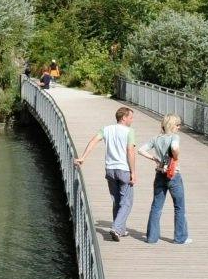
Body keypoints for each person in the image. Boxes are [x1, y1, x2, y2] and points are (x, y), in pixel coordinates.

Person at [74, 105, 139, 241]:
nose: (132, 120)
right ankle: (116, 228)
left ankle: (120, 230)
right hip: (123, 169)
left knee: (117, 200)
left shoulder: (106, 129)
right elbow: (130, 151)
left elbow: (93, 141)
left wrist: (83, 157)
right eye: (131, 117)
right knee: (126, 202)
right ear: (124, 118)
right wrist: (133, 172)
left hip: (110, 170)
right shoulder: (129, 131)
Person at [139, 113, 189, 245]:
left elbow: (141, 150)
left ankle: (152, 238)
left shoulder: (156, 138)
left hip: (160, 174)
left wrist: (154, 158)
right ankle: (180, 238)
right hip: (173, 175)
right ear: (172, 125)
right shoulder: (174, 137)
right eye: (178, 125)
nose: (179, 127)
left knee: (156, 206)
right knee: (179, 207)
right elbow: (174, 148)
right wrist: (176, 156)